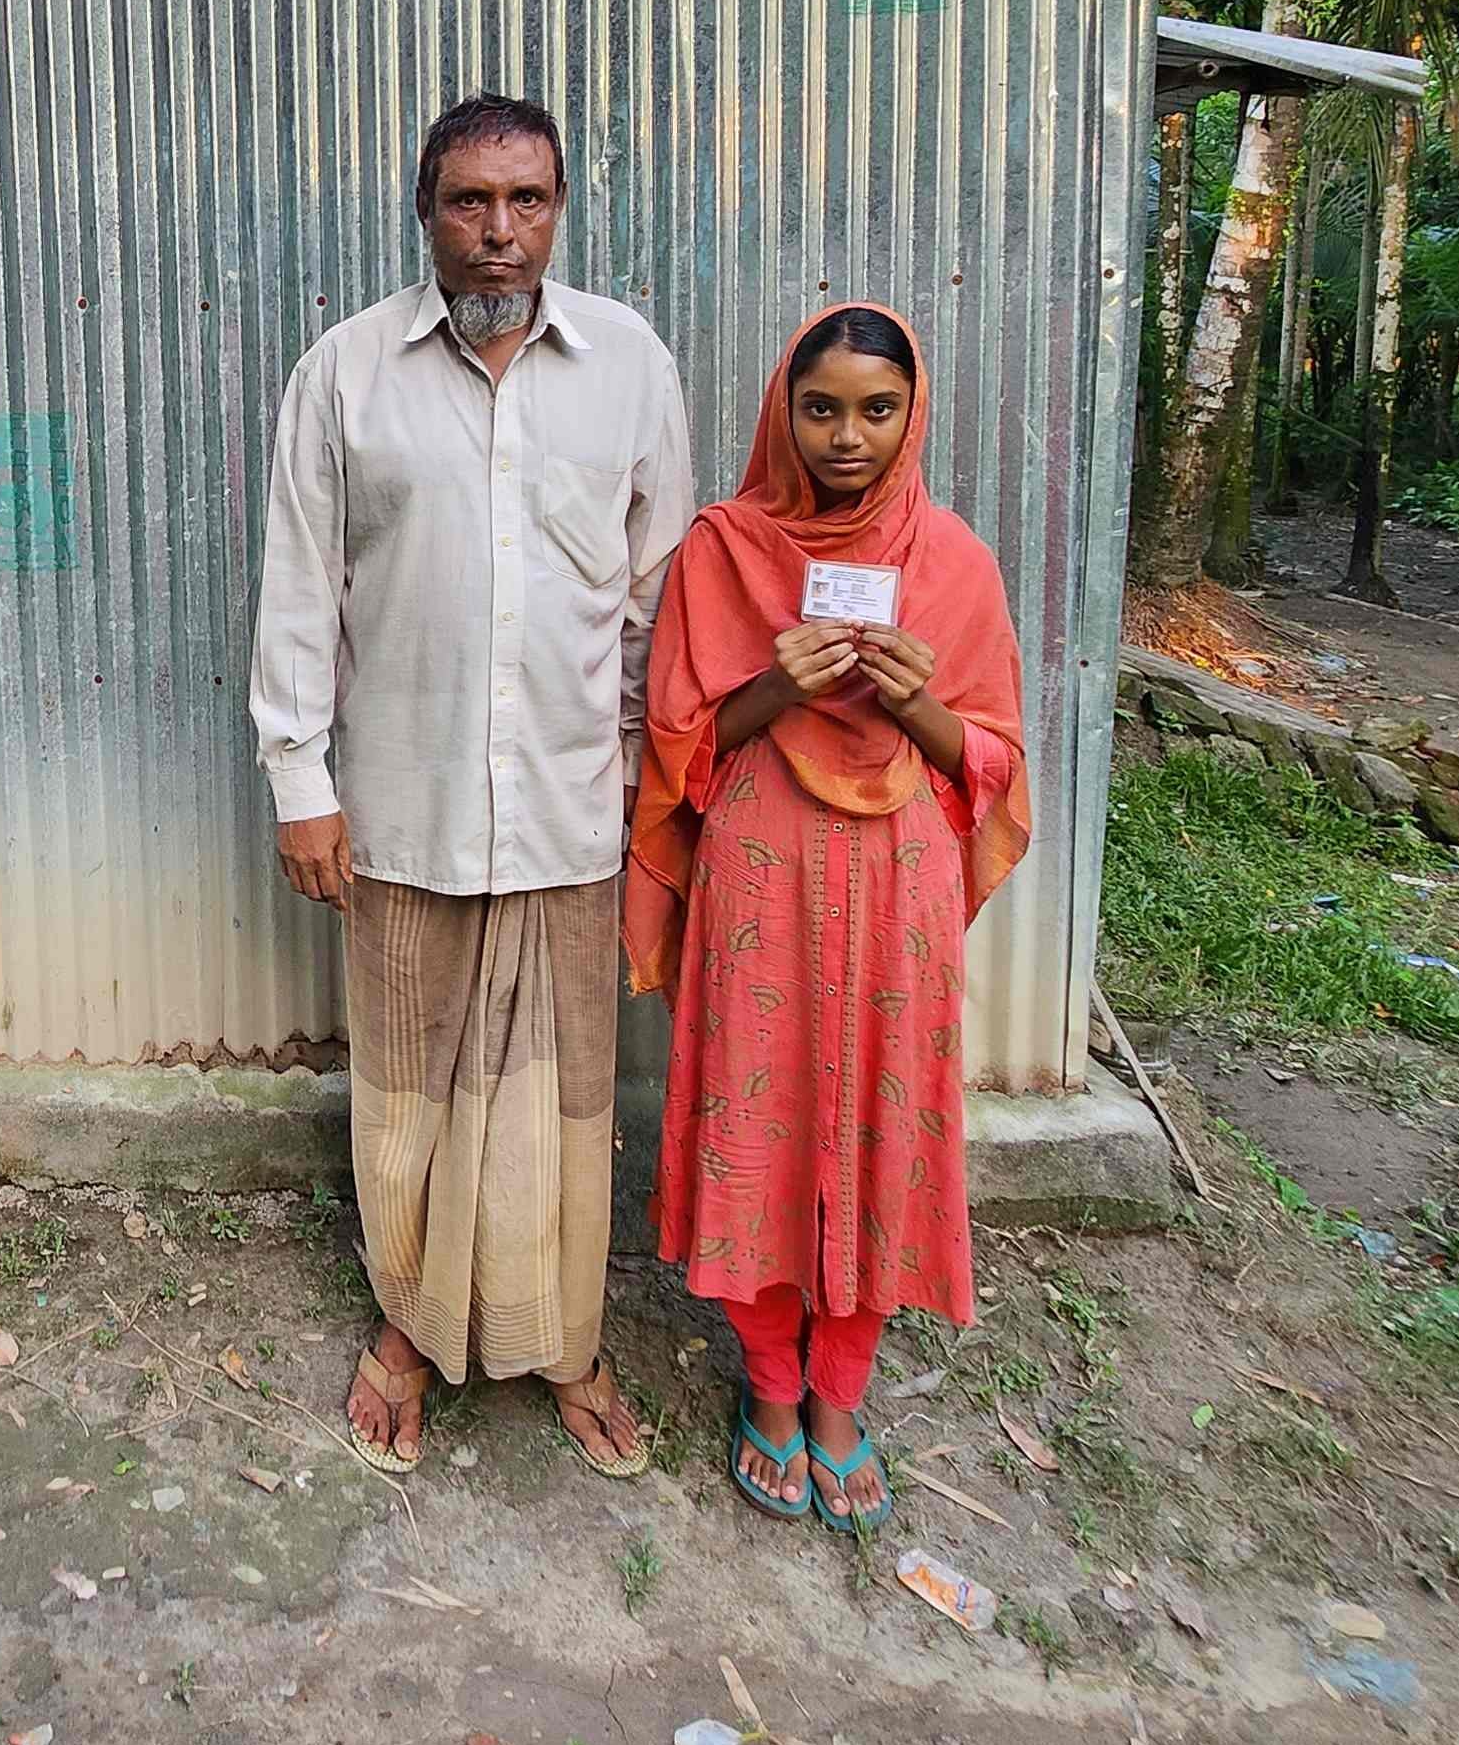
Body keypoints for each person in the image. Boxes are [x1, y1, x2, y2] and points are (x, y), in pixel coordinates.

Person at [249, 93, 695, 1481]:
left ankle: (566, 1340)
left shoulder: (627, 365)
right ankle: (409, 1336)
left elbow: (655, 605)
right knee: (406, 1095)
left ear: (561, 207)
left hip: (572, 814)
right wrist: (298, 779)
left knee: (563, 1103)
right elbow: (299, 592)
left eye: (528, 201)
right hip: (403, 807)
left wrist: (648, 793)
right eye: (469, 202)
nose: (500, 233)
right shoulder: (345, 374)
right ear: (425, 210)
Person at [624, 304, 1032, 1534]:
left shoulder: (951, 558)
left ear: (913, 417)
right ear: (781, 412)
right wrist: (770, 685)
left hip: (896, 879)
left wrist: (918, 710)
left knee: (877, 1117)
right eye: (821, 408)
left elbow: (994, 756)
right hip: (760, 865)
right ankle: (768, 1386)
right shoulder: (722, 549)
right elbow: (677, 745)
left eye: (876, 409)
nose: (846, 437)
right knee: (762, 1109)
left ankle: (842, 1397)